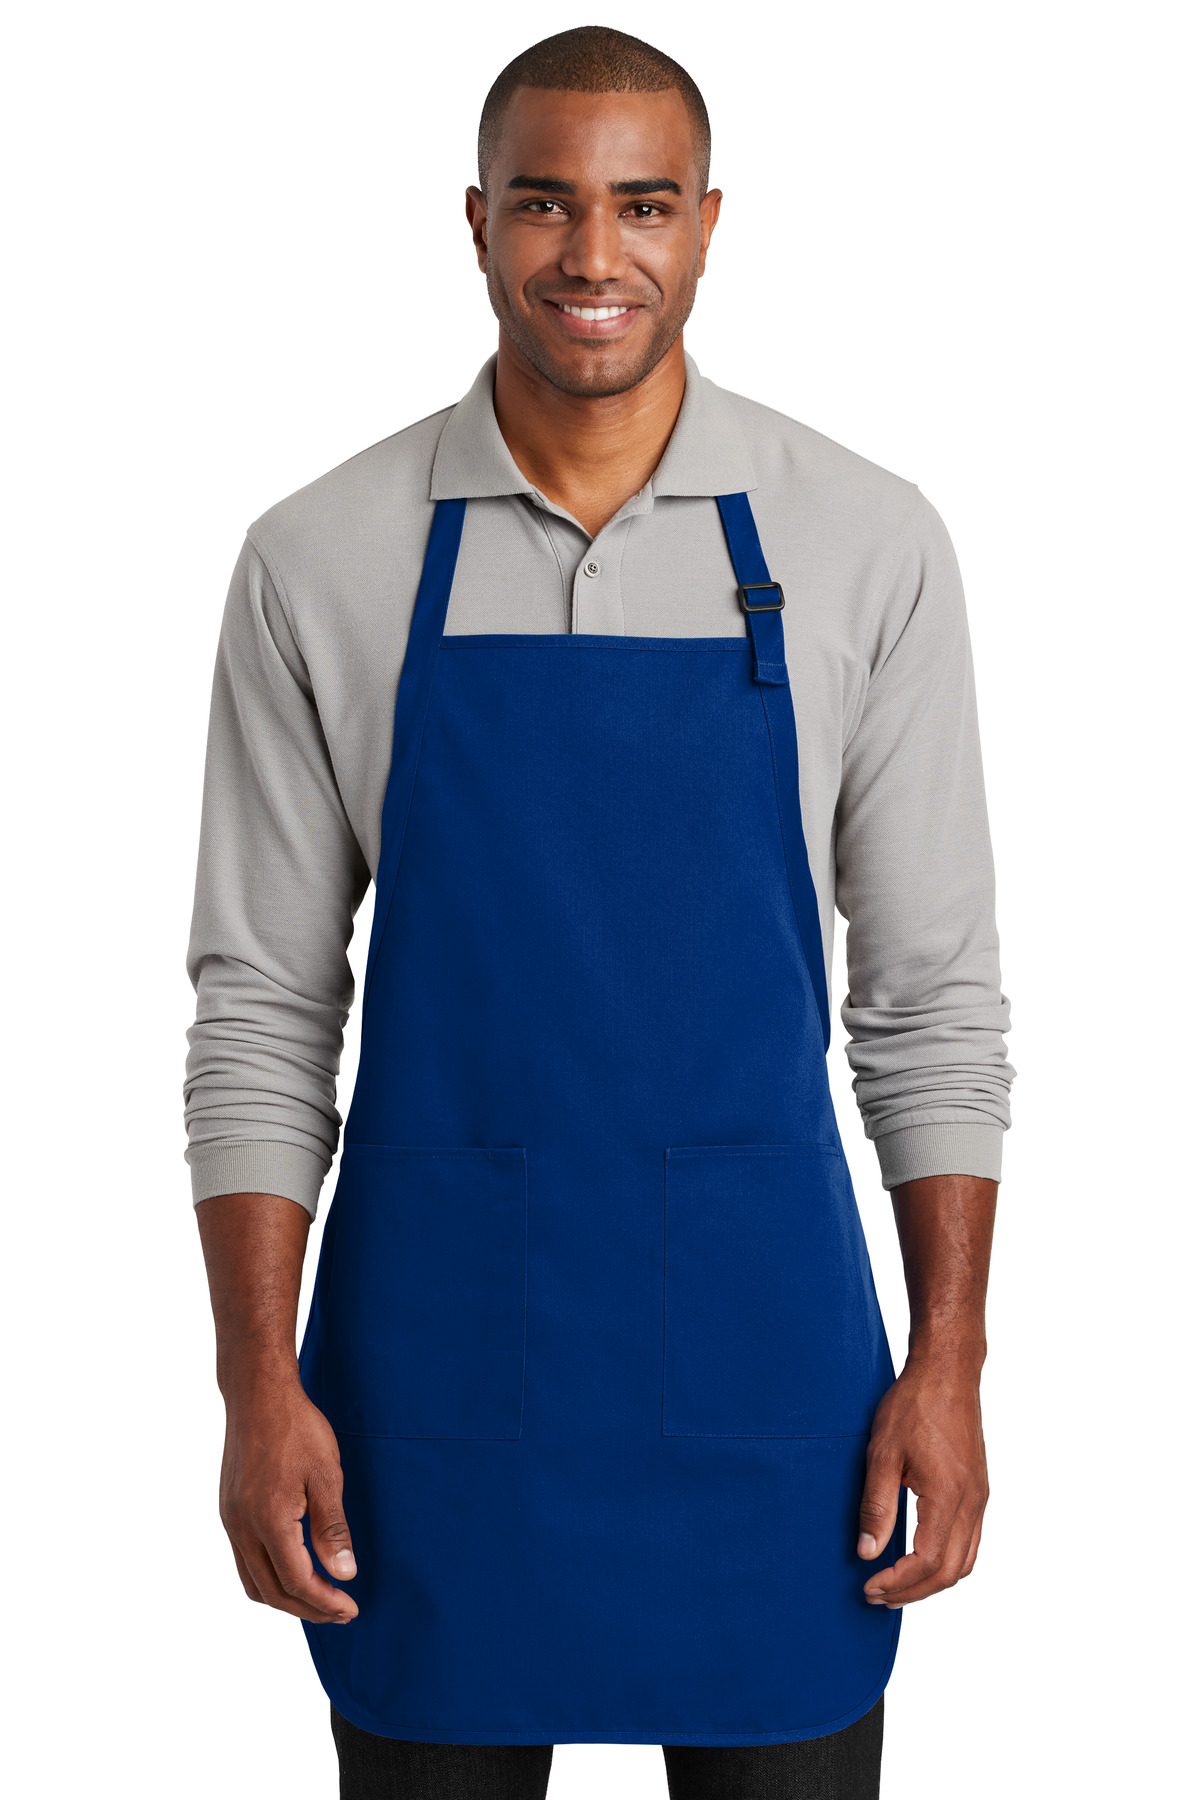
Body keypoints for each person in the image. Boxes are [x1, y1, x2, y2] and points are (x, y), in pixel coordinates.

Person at [186, 26, 1012, 1800]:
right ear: (476, 221)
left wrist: (950, 1361)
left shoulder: (866, 540)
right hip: (430, 1391)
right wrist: (257, 1384)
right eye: (546, 202)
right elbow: (262, 1007)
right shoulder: (320, 555)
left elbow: (932, 998)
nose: (593, 253)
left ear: (708, 224)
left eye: (642, 204)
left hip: (772, 1387)